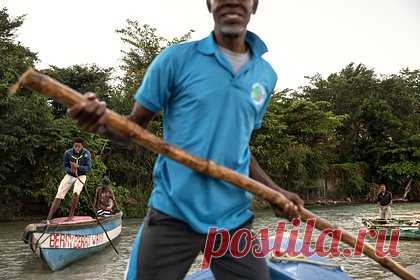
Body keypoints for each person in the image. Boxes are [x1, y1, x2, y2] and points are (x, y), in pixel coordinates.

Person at [68, 0, 304, 279]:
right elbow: (131, 131)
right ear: (209, 3)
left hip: (232, 220)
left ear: (255, 4)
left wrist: (274, 191)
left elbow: (239, 148)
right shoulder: (176, 60)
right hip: (173, 213)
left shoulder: (266, 75)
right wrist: (100, 124)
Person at [46, 137, 91, 222]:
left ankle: (70, 216)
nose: (77, 148)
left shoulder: (86, 153)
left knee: (76, 192)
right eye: (75, 146)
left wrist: (78, 167)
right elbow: (65, 166)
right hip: (70, 175)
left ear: (82, 146)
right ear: (73, 146)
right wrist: (71, 170)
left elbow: (88, 168)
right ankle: (48, 218)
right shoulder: (68, 153)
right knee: (59, 193)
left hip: (81, 176)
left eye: (79, 146)